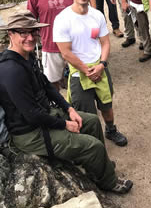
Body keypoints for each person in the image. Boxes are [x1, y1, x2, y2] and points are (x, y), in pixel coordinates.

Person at [0, 11, 133, 194]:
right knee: (92, 147)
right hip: (30, 133)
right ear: (11, 34)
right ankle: (108, 182)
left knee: (92, 122)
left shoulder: (27, 57)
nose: (30, 38)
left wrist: (69, 108)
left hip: (44, 116)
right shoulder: (11, 71)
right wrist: (64, 124)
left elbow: (46, 86)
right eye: (23, 33)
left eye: (33, 32)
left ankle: (98, 167)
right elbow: (31, 114)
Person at [53, 0, 128, 147]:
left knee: (106, 104)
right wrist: (87, 70)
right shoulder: (63, 19)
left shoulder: (97, 16)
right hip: (79, 73)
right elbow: (65, 52)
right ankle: (93, 143)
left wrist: (102, 64)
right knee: (87, 113)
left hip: (100, 68)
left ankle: (111, 130)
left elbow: (105, 42)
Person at [27, 0, 73, 91]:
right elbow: (30, 21)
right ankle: (58, 110)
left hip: (74, 43)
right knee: (52, 84)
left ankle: (80, 109)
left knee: (79, 80)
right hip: (50, 46)